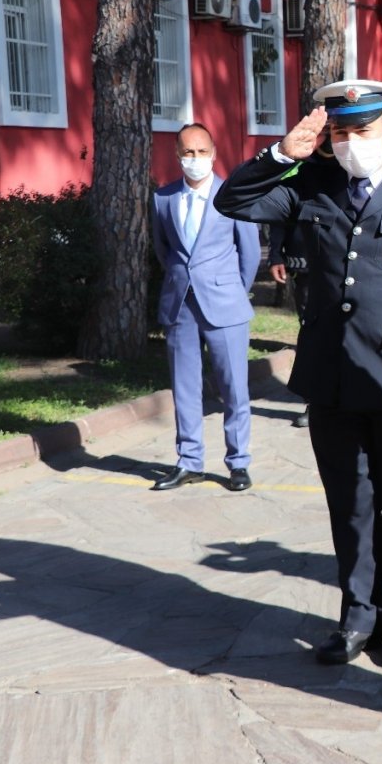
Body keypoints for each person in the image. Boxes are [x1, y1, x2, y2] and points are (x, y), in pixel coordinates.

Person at [214, 80, 382, 672]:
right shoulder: (314, 184)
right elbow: (232, 202)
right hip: (332, 375)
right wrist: (282, 155)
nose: (352, 142)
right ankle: (357, 614)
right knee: (350, 507)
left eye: (362, 129)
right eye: (341, 132)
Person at [150, 123, 261, 493]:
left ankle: (238, 462)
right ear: (177, 155)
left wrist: (231, 290)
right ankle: (189, 461)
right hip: (180, 305)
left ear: (213, 153)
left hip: (225, 305)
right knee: (184, 388)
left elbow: (248, 255)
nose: (194, 159)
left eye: (201, 152)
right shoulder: (163, 199)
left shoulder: (233, 196)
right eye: (187, 152)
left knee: (233, 387)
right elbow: (164, 250)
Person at [266, 222, 312, 426]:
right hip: (307, 269)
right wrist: (275, 254)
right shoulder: (300, 188)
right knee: (312, 336)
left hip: (354, 265)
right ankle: (315, 403)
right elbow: (281, 215)